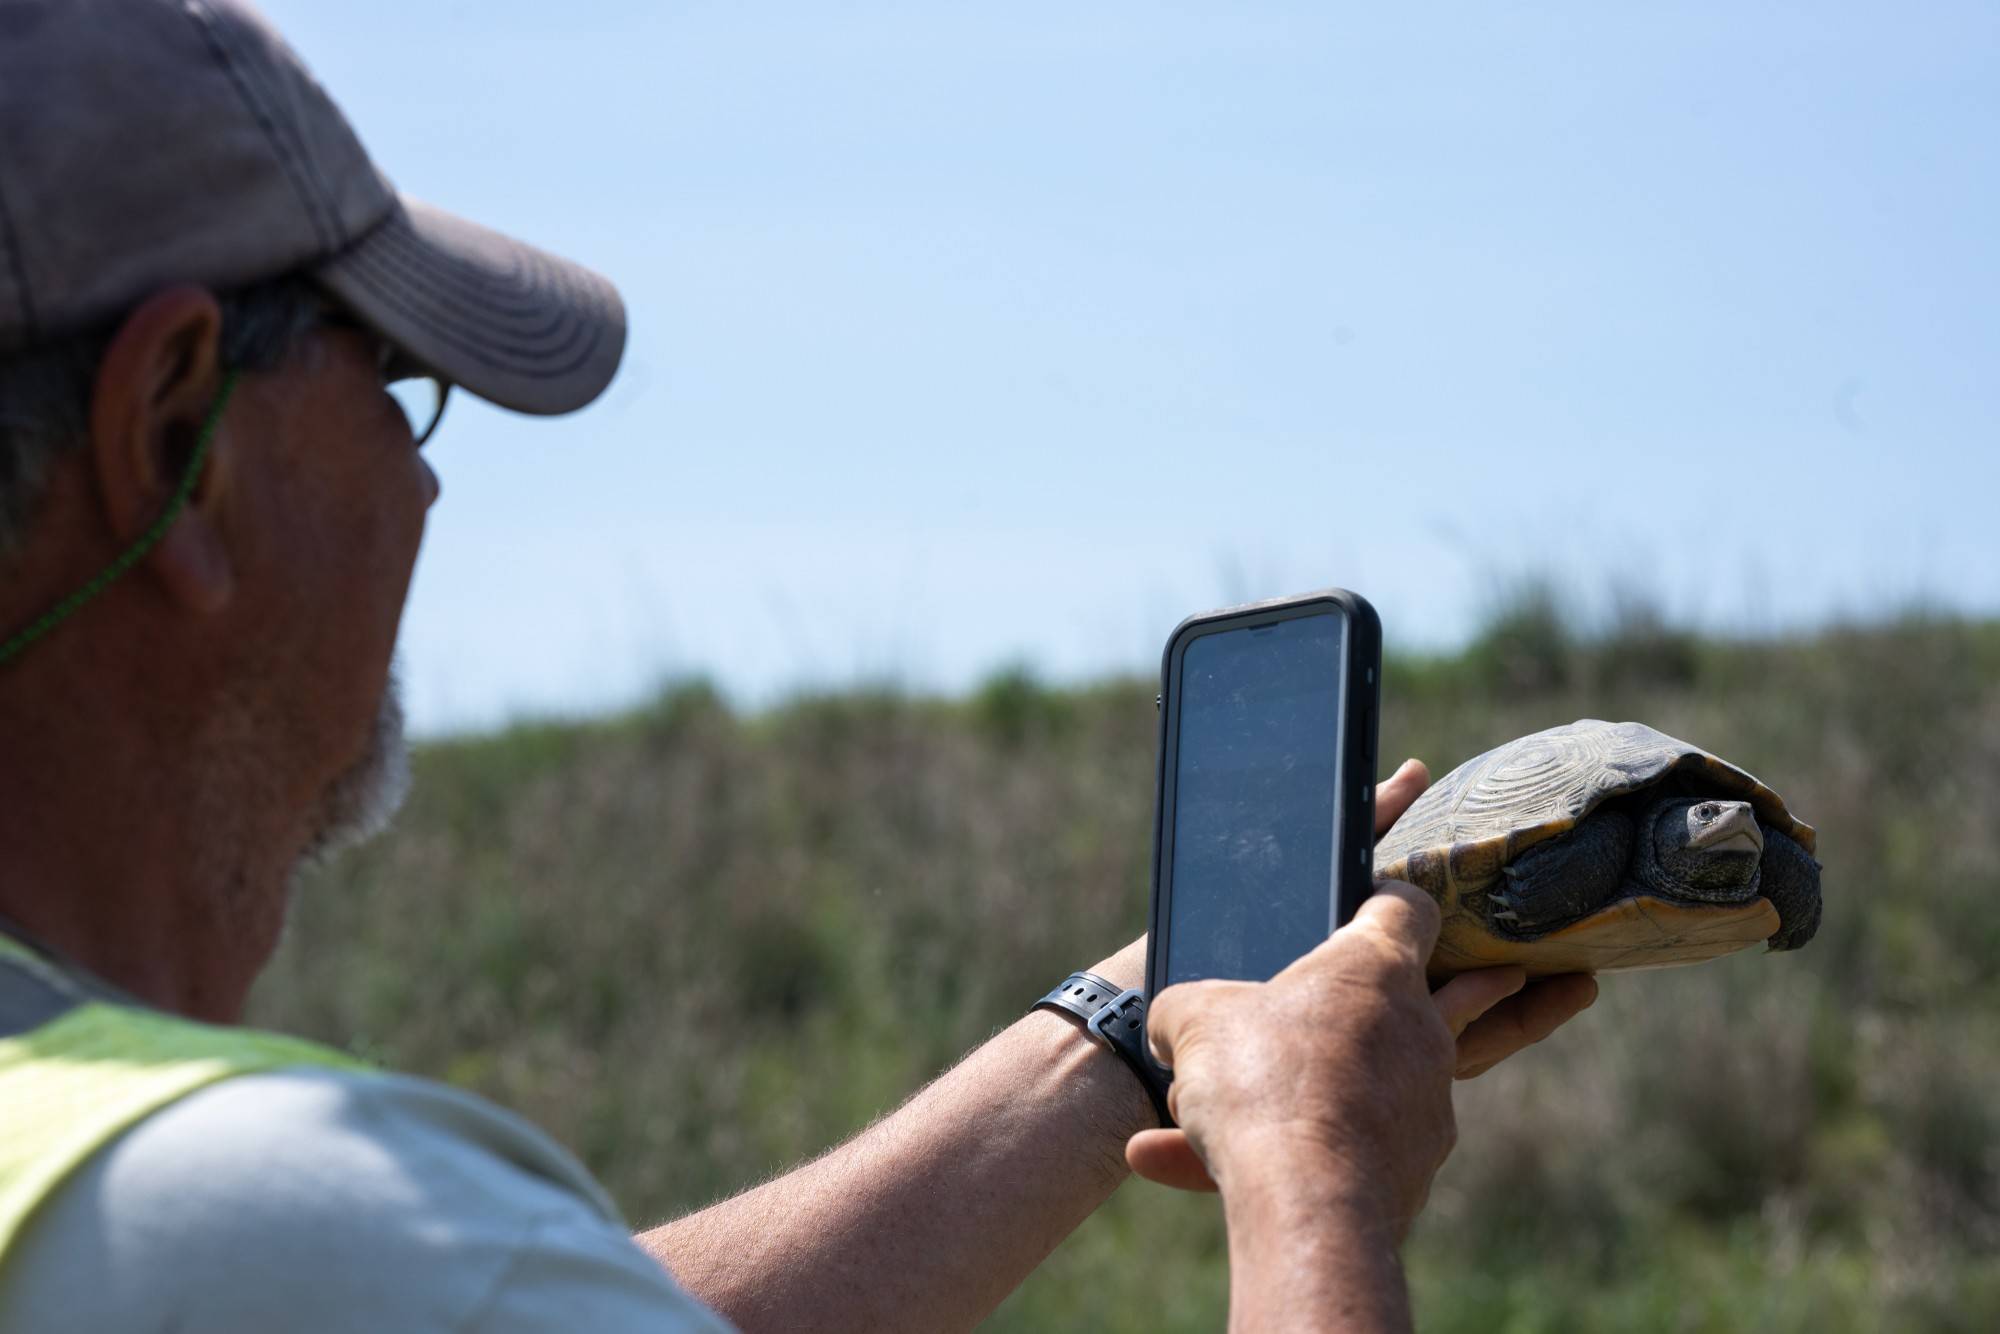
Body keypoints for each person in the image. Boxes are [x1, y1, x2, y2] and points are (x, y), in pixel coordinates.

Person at [0, 2, 1598, 1329]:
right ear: (173, 441)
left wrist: (1142, 1020)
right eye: (397, 379)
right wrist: (1319, 1171)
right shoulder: (271, 1221)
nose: (426, 483)